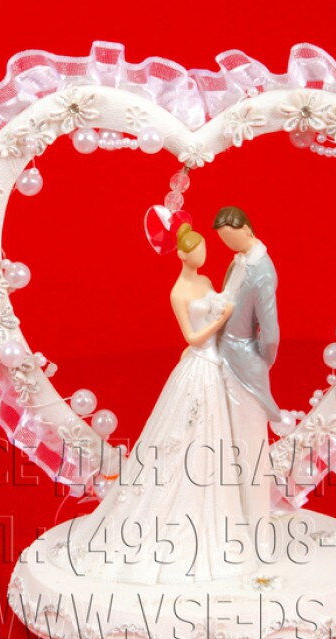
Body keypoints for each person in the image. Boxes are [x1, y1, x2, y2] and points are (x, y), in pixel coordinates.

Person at [53, 223, 256, 584]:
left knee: (212, 441)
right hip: (200, 365)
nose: (203, 254)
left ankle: (212, 511)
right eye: (197, 250)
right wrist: (222, 318)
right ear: (183, 255)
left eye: (204, 248)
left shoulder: (206, 282)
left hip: (215, 367)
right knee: (181, 439)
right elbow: (192, 337)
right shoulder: (179, 292)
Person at [213, 206, 281, 535]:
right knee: (226, 435)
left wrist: (261, 360)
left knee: (249, 440)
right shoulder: (238, 262)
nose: (229, 246)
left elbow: (270, 331)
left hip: (244, 360)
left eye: (232, 238)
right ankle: (231, 511)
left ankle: (255, 519)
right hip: (222, 353)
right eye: (224, 241)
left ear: (248, 230)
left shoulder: (262, 271)